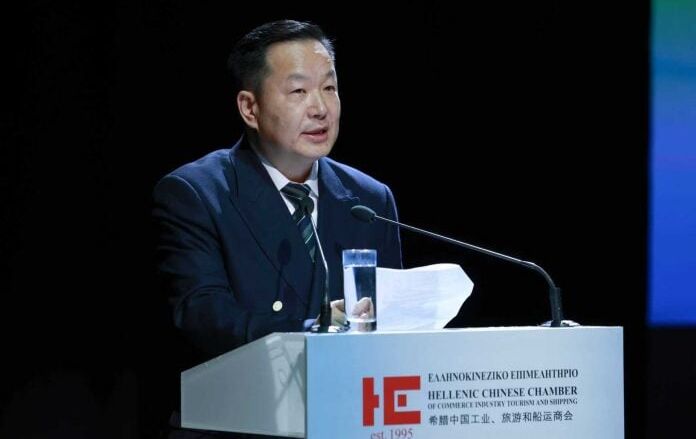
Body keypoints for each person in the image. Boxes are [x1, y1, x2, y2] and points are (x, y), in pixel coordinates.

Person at [152, 19, 402, 438]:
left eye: (329, 87)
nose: (320, 108)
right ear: (250, 108)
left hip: (350, 421)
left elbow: (392, 329)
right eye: (299, 91)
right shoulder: (196, 194)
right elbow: (203, 317)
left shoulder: (370, 200)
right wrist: (312, 330)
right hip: (239, 424)